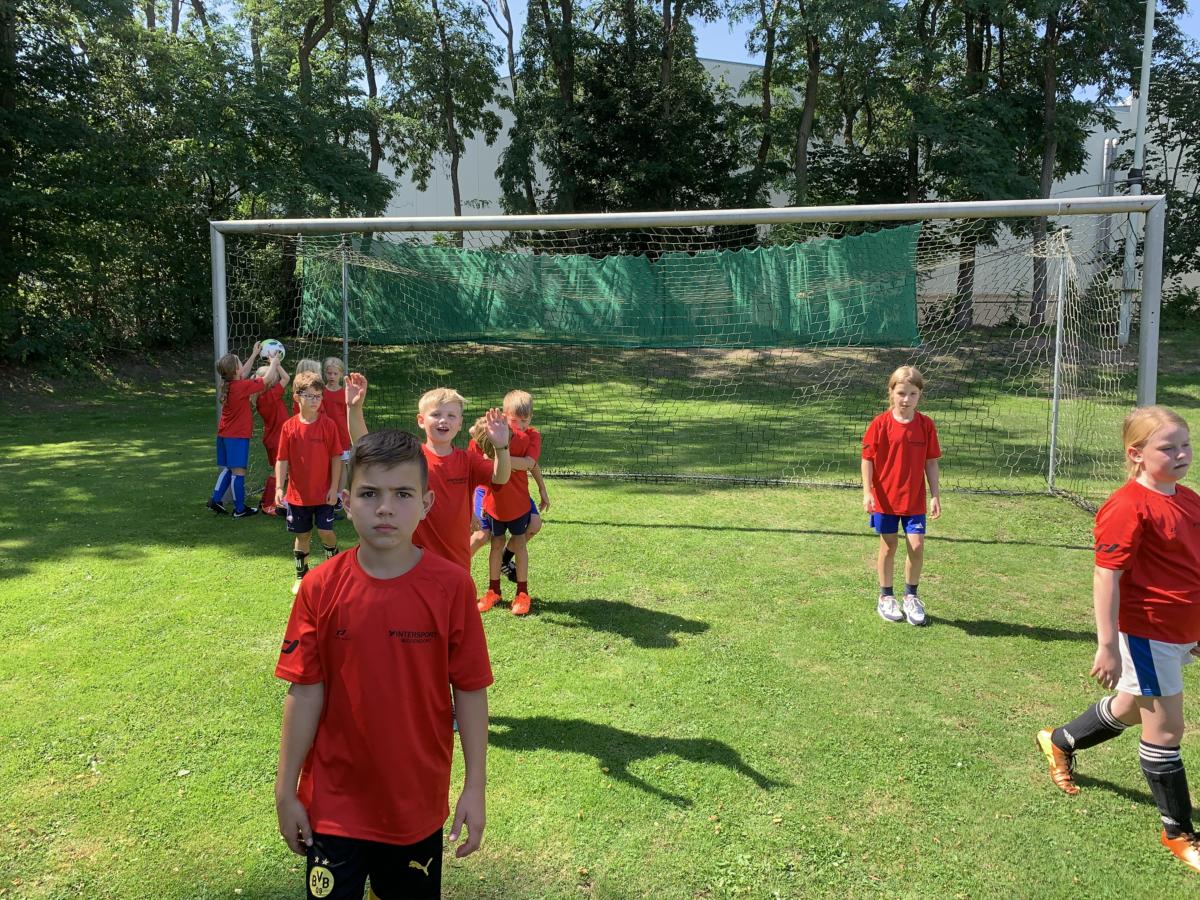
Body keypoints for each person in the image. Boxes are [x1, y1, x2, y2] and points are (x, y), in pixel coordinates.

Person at [274, 428, 492, 899]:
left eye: (403, 494)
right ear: (346, 502)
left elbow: (470, 689)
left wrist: (475, 786)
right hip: (334, 802)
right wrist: (285, 789)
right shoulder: (320, 587)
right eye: (370, 493)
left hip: (415, 803)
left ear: (426, 503)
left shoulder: (453, 588)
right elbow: (305, 689)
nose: (385, 508)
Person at [1036, 406, 1200, 872]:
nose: (1181, 454)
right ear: (1136, 454)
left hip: (1182, 629)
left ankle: (1060, 740)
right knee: (1166, 729)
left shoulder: (1189, 500)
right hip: (1148, 632)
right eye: (1168, 447)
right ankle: (1178, 832)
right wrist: (1108, 645)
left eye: (1185, 444)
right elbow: (1106, 576)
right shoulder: (1127, 506)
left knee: (1130, 706)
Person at [345, 374, 512, 573]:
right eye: (436, 414)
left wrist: (501, 447)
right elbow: (366, 451)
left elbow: (501, 478)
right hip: (411, 561)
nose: (443, 420)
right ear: (421, 420)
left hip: (455, 561)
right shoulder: (410, 456)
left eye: (451, 416)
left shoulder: (468, 460)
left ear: (460, 424)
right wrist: (354, 408)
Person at [861, 365, 941, 626]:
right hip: (885, 499)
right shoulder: (880, 424)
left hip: (914, 500)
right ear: (891, 393)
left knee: (916, 546)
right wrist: (868, 492)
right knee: (889, 545)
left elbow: (931, 462)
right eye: (901, 393)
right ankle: (886, 597)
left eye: (913, 394)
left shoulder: (926, 425)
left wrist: (935, 495)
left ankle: (911, 596)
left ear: (920, 395)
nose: (907, 399)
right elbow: (867, 459)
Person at [472, 390, 542, 616]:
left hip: (518, 503)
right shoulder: (488, 434)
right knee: (495, 544)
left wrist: (498, 456)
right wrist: (480, 434)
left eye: (525, 420)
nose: (520, 425)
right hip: (493, 503)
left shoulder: (526, 438)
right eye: (515, 420)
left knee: (520, 545)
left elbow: (530, 463)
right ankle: (493, 591)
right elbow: (474, 450)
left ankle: (522, 593)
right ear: (504, 415)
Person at [275, 372, 343, 593]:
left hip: (324, 494)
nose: (315, 400)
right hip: (298, 496)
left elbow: (336, 458)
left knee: (325, 531)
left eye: (318, 396)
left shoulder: (328, 425)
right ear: (297, 397)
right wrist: (279, 487)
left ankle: (333, 572)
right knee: (302, 535)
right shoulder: (289, 427)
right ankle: (301, 576)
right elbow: (282, 459)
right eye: (309, 395)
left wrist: (334, 488)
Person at [208, 342, 281, 518]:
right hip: (236, 436)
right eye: (239, 361)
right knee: (238, 472)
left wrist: (254, 354)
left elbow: (243, 372)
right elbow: (267, 380)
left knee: (229, 469)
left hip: (225, 435)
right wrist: (274, 362)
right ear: (235, 370)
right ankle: (239, 509)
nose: (242, 363)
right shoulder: (241, 387)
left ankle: (215, 499)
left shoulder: (230, 383)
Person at [255, 360, 291, 517]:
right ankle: (268, 504)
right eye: (275, 379)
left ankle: (269, 500)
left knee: (283, 471)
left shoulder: (262, 397)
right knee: (278, 472)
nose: (278, 381)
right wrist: (275, 363)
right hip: (277, 439)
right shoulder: (270, 396)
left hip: (274, 438)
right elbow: (286, 378)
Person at [322, 357, 352, 511]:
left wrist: (350, 433)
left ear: (341, 374)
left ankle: (339, 496)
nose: (332, 376)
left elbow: (349, 415)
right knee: (325, 463)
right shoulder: (321, 391)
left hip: (341, 434)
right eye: (329, 373)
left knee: (342, 463)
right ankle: (325, 492)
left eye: (335, 373)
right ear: (325, 373)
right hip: (324, 433)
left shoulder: (345, 393)